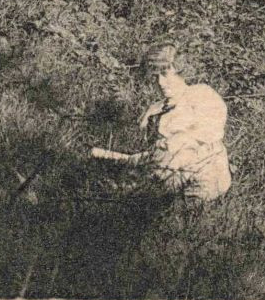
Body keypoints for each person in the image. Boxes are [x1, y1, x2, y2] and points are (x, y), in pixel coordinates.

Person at [89, 43, 231, 201]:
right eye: (155, 77)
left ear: (180, 71)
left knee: (168, 161)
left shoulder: (201, 94)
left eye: (165, 74)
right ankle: (120, 164)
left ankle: (129, 187)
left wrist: (178, 140)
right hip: (170, 165)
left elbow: (211, 131)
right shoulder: (159, 107)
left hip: (204, 172)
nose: (161, 83)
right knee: (157, 158)